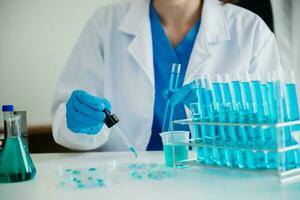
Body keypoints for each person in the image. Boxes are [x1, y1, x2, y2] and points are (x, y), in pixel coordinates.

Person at [52, 0, 281, 151]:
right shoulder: (105, 23)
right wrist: (80, 125)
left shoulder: (250, 30)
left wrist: (224, 113)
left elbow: (277, 129)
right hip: (126, 182)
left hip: (218, 181)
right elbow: (65, 116)